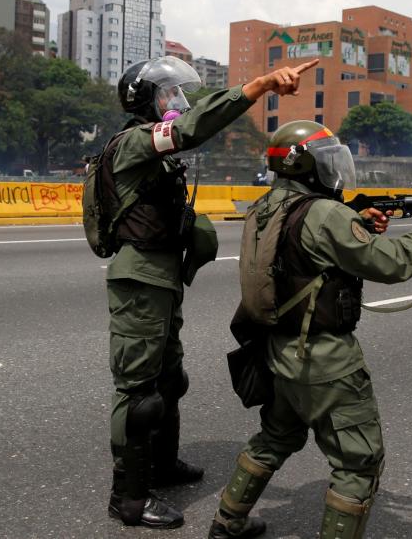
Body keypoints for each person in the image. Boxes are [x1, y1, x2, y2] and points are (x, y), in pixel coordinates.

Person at [207, 120, 412, 539]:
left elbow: (301, 259)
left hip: (277, 350)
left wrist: (357, 222)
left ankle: (227, 522)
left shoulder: (265, 206)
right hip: (324, 359)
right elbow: (390, 263)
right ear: (307, 167)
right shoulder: (325, 214)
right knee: (358, 462)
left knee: (275, 436)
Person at [103, 56, 318, 529]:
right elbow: (191, 129)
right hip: (140, 278)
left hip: (162, 275)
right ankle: (129, 497)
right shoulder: (136, 141)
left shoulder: (153, 149)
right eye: (168, 96)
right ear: (145, 102)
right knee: (139, 391)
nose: (177, 104)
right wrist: (257, 86)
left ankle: (162, 466)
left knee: (168, 381)